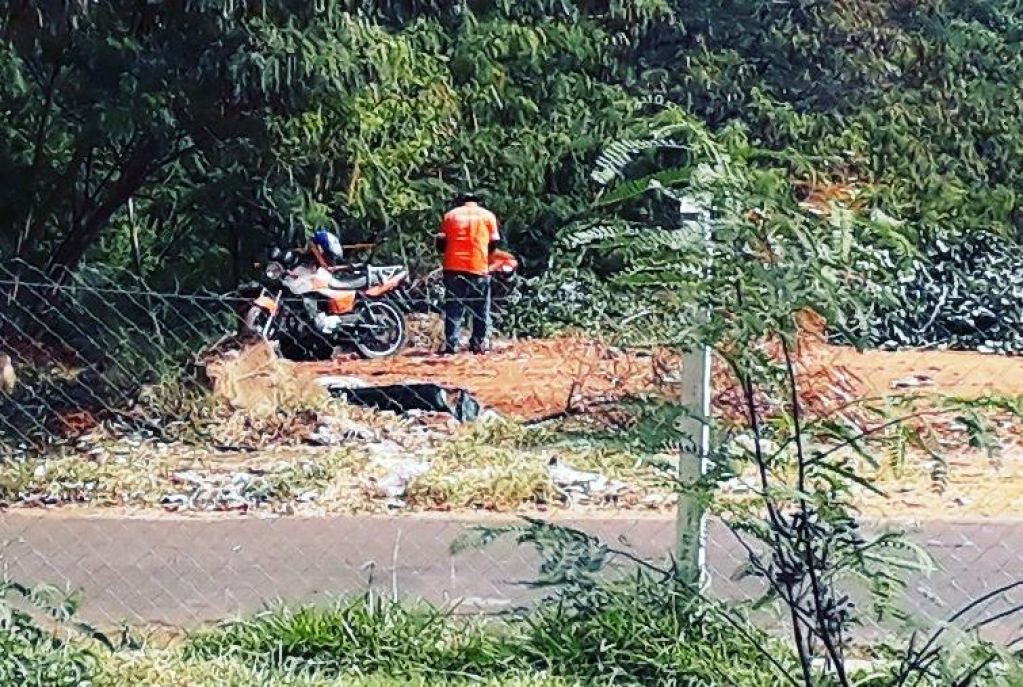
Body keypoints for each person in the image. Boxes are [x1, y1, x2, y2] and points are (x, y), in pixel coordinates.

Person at [436, 192, 501, 354]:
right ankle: (478, 344)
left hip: (453, 266)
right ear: (477, 202)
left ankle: (452, 345)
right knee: (480, 309)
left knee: (454, 307)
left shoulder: (450, 216)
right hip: (478, 267)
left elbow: (441, 243)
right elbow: (494, 243)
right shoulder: (487, 216)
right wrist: (484, 257)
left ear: (461, 202)